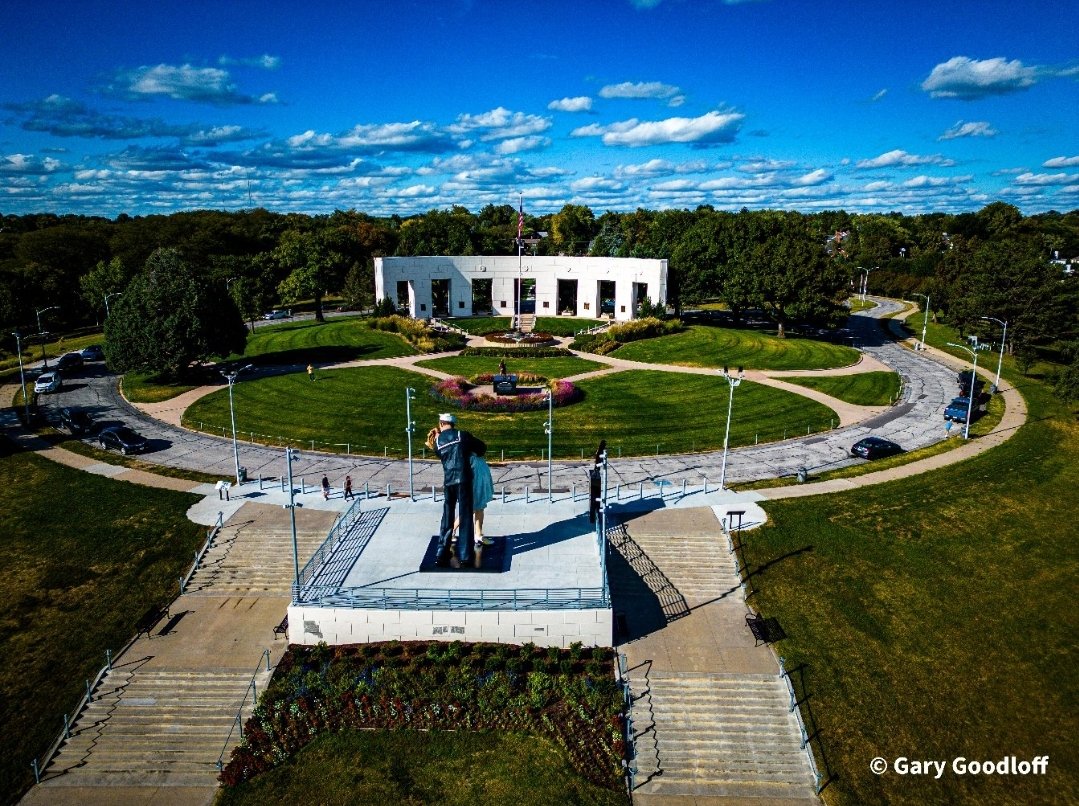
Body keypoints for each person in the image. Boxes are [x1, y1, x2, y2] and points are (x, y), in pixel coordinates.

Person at [427, 413, 487, 568]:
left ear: (441, 424)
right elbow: (481, 448)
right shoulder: (463, 435)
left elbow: (440, 453)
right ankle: (466, 555)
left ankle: (442, 552)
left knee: (447, 516)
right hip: (464, 480)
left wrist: (438, 437)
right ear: (453, 424)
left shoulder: (438, 443)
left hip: (449, 481)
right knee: (466, 515)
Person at [588, 440, 606, 525]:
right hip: (596, 472)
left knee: (594, 501)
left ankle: (593, 518)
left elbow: (597, 459)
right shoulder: (601, 451)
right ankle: (594, 517)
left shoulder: (600, 451)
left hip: (596, 472)